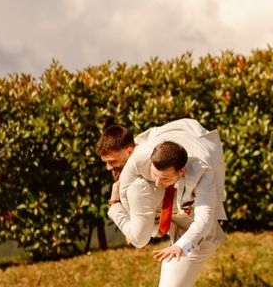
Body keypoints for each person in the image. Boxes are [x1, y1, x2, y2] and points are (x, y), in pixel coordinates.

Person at [95, 118, 227, 287]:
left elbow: (205, 219)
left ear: (181, 171)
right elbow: (126, 195)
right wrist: (145, 226)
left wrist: (181, 246)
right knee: (137, 189)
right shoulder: (139, 158)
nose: (157, 183)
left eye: (164, 178)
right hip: (172, 224)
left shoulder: (202, 174)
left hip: (197, 237)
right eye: (154, 175)